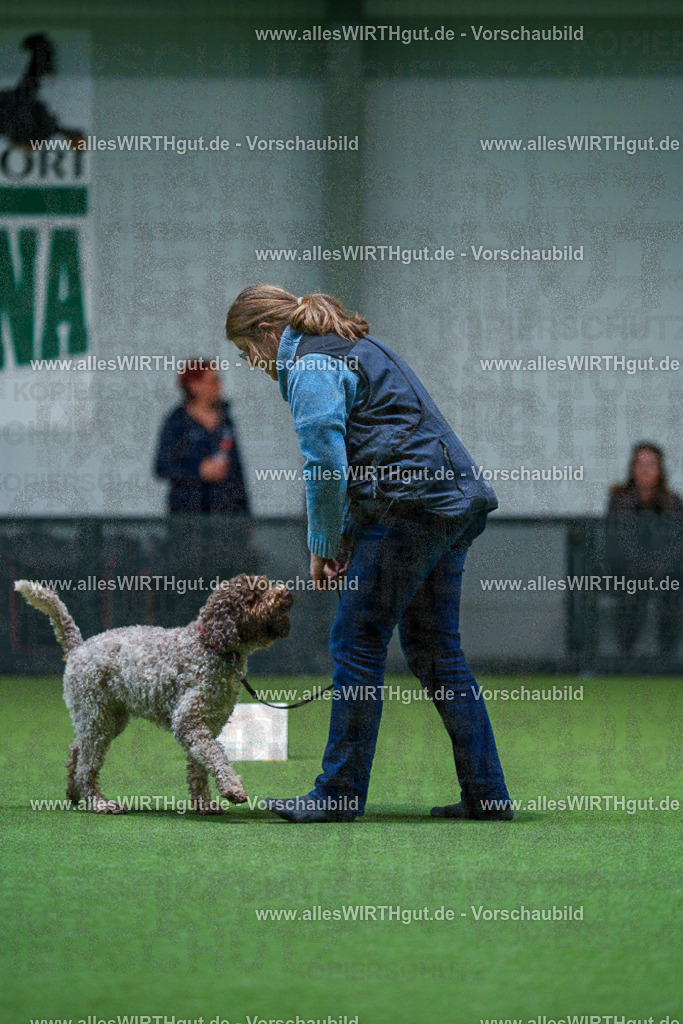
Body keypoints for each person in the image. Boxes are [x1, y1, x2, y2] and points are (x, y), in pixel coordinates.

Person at [225, 284, 513, 823]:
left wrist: (324, 544)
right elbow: (384, 444)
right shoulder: (355, 344)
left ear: (267, 333)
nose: (251, 364)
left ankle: (338, 793)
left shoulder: (310, 365)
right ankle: (488, 795)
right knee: (436, 654)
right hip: (451, 503)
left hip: (414, 507)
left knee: (356, 642)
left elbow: (326, 464)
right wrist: (353, 535)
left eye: (247, 352)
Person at [606, 442, 683, 660]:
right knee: (634, 588)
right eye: (640, 464)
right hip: (627, 572)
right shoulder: (620, 501)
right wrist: (644, 566)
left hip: (666, 573)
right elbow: (618, 544)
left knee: (673, 589)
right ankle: (625, 656)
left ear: (660, 469)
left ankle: (667, 657)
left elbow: (677, 544)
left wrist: (661, 566)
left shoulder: (673, 503)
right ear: (632, 469)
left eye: (651, 464)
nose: (645, 470)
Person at [155, 359, 250, 515]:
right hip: (188, 517)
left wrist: (246, 515)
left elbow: (237, 471)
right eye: (213, 381)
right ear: (194, 386)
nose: (219, 386)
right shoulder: (177, 422)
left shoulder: (225, 421)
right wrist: (199, 471)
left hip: (226, 517)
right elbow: (162, 467)